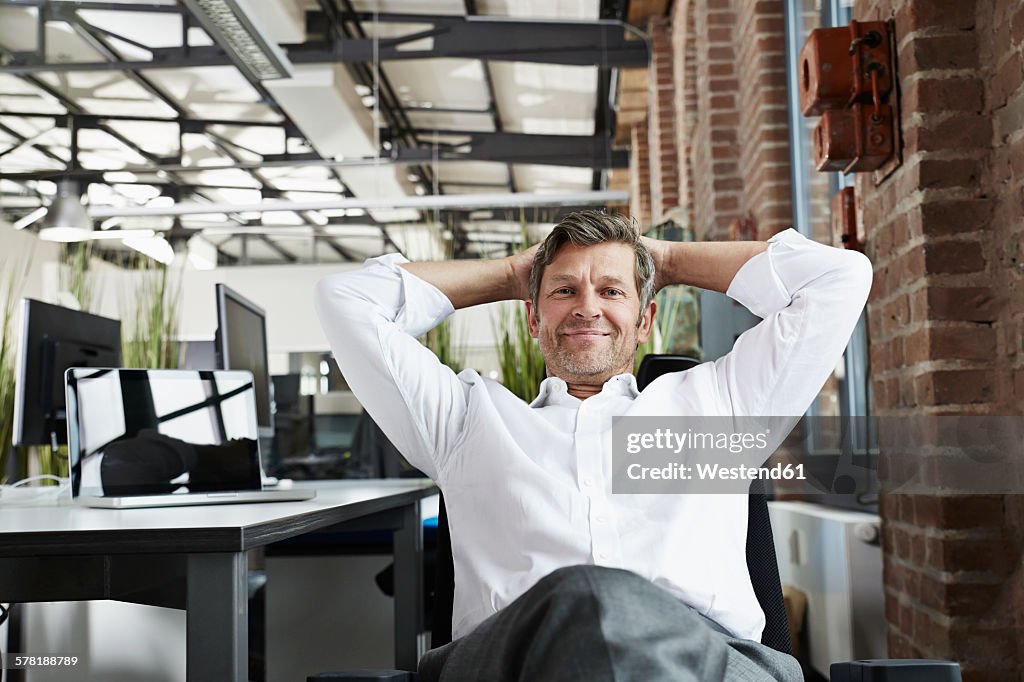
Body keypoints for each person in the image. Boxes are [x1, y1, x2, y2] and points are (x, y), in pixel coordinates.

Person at [315, 210, 872, 681]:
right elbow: (347, 299)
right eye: (563, 290)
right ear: (532, 317)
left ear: (645, 318)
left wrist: (668, 260)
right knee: (586, 597)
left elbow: (838, 277)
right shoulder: (465, 420)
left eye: (611, 290)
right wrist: (515, 271)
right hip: (517, 659)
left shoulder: (722, 403)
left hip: (704, 659)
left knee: (603, 600)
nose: (587, 306)